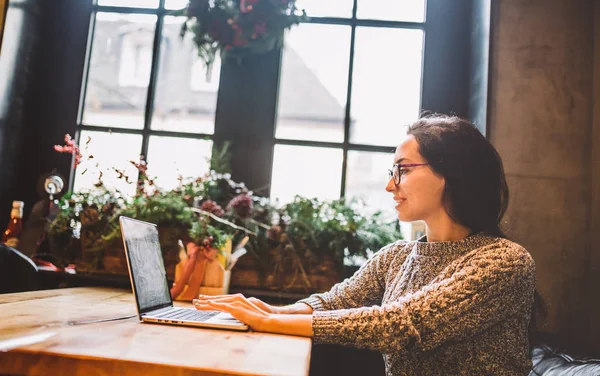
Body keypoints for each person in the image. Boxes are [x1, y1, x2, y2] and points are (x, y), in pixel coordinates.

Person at [194, 115, 536, 376]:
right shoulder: (397, 257)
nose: (390, 185)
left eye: (402, 170)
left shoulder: (504, 261)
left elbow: (397, 324)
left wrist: (269, 321)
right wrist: (269, 310)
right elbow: (331, 302)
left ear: (453, 173)